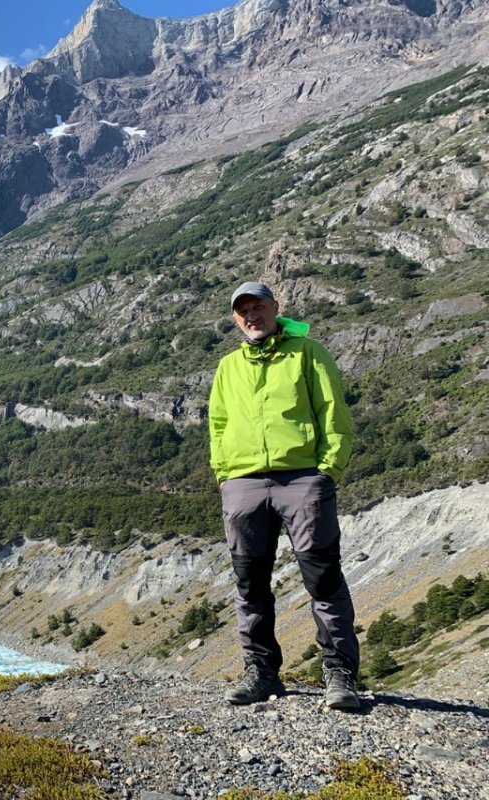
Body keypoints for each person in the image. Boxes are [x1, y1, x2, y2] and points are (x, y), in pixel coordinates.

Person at [208, 281, 361, 710]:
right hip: (243, 483)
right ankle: (261, 672)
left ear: (276, 308)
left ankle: (339, 675)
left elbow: (334, 413)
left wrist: (327, 471)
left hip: (303, 480)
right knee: (249, 581)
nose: (252, 317)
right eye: (243, 312)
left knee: (323, 577)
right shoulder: (228, 368)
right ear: (236, 319)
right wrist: (224, 475)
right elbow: (218, 425)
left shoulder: (308, 354)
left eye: (259, 308)